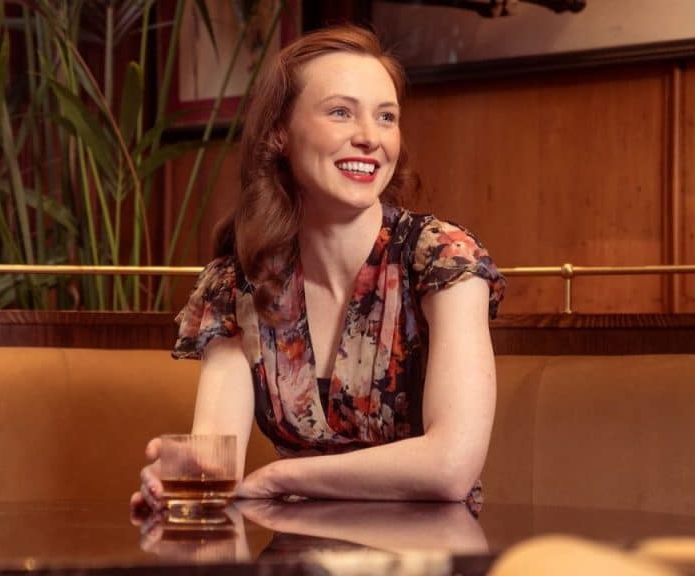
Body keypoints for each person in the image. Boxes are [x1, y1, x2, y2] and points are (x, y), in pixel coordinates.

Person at [130, 23, 505, 512]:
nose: (370, 138)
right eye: (341, 112)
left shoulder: (442, 258)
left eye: (386, 117)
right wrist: (177, 478)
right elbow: (217, 460)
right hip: (297, 553)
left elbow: (451, 466)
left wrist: (282, 477)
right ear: (281, 134)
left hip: (431, 553)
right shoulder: (236, 284)